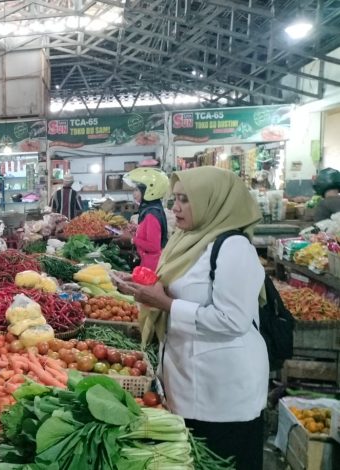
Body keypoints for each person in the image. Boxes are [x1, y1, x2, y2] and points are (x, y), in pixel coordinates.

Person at [116, 167, 267, 470]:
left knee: (223, 460)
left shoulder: (233, 247)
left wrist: (165, 303)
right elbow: (177, 287)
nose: (175, 208)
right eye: (175, 199)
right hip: (188, 377)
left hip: (223, 389)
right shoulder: (188, 240)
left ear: (213, 201)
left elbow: (232, 320)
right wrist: (141, 284)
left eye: (186, 200)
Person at [121, 168, 169, 271]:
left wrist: (132, 239)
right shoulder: (152, 208)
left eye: (136, 190)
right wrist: (138, 229)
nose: (133, 194)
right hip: (149, 262)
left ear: (148, 191)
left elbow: (153, 246)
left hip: (151, 265)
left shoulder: (151, 214)